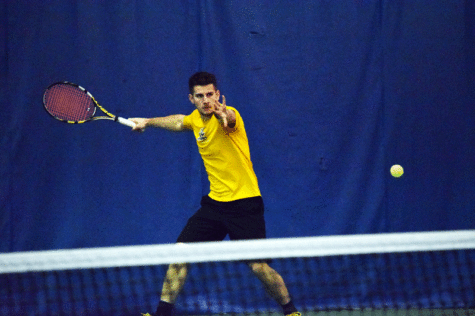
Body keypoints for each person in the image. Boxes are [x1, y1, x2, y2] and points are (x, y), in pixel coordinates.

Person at [130, 72, 300, 316]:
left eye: (210, 94)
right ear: (192, 99)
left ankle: (291, 311)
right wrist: (148, 121)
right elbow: (179, 122)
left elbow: (229, 120)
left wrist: (225, 115)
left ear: (218, 94)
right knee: (180, 254)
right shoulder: (195, 120)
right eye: (200, 96)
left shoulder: (231, 116)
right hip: (215, 205)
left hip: (244, 203)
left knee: (258, 266)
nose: (206, 100)